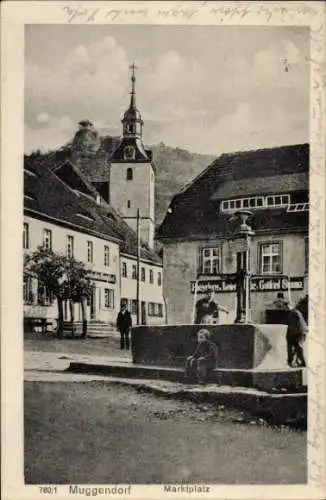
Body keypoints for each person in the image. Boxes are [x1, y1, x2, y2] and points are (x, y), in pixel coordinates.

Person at [286, 302, 308, 367]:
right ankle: (298, 362)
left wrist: (291, 334)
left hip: (299, 332)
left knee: (298, 347)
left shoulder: (294, 313)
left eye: (288, 306)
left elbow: (294, 324)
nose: (287, 308)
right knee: (297, 347)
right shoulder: (295, 312)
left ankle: (303, 363)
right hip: (300, 332)